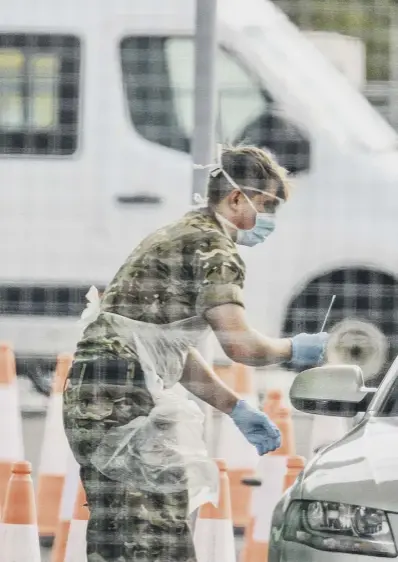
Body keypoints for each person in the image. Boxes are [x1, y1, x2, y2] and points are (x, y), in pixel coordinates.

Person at [63, 144, 328, 562]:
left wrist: (235, 406)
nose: (271, 219)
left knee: (118, 536)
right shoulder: (215, 250)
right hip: (123, 400)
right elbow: (240, 343)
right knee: (157, 538)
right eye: (267, 204)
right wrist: (294, 349)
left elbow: (164, 347)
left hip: (95, 398)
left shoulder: (180, 233)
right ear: (236, 197)